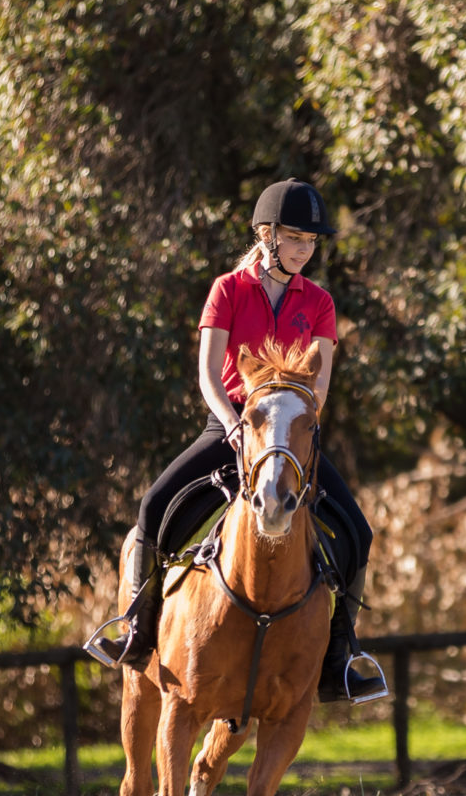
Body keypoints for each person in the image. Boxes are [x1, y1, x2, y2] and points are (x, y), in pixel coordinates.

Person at [89, 178, 386, 703]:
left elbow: (319, 383)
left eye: (312, 242)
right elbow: (208, 372)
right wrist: (230, 422)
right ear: (266, 235)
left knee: (358, 531)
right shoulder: (227, 288)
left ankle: (342, 655)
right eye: (296, 238)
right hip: (230, 426)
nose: (305, 250)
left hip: (290, 433)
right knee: (153, 505)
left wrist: (296, 426)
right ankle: (136, 628)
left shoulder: (318, 301)